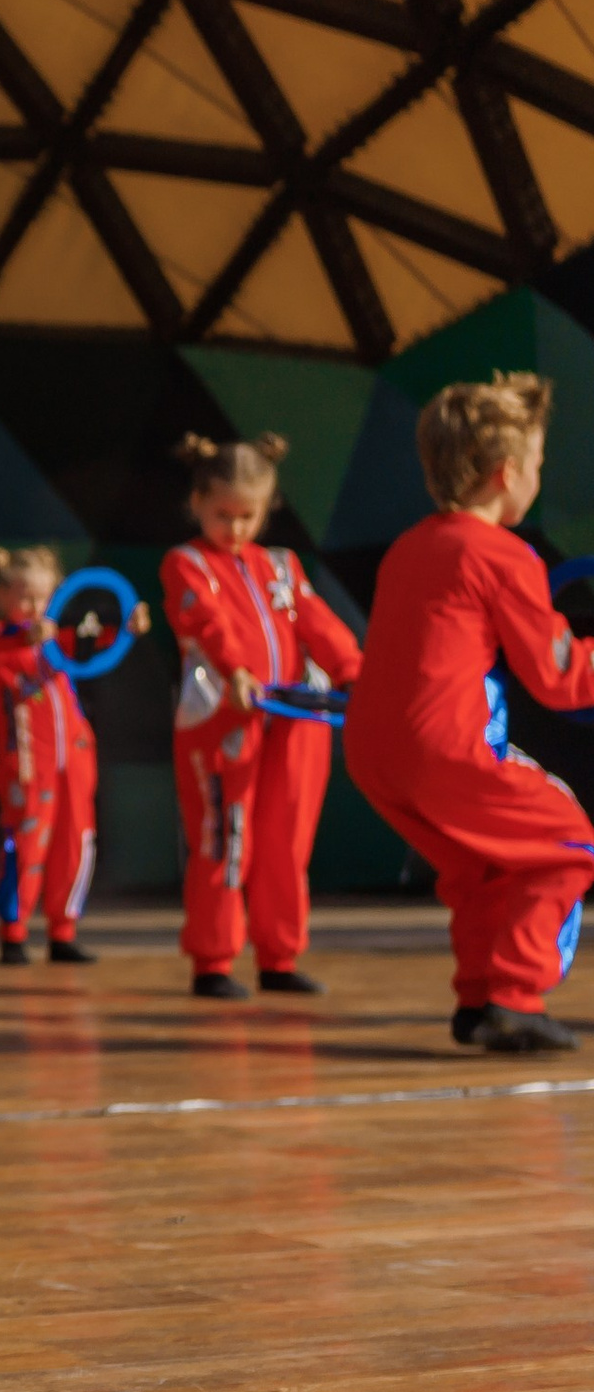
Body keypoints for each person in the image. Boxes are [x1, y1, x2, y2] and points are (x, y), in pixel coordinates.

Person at [346, 373, 594, 1055]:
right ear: (506, 472)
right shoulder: (503, 555)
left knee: (483, 866)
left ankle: (478, 1001)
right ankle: (515, 997)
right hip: (447, 746)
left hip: (376, 754)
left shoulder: (410, 547)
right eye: (537, 463)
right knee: (566, 842)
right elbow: (557, 677)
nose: (537, 476)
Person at [160, 433, 363, 999]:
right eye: (222, 515)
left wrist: (353, 673)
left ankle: (279, 957)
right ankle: (213, 961)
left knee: (286, 839)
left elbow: (316, 622)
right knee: (225, 839)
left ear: (266, 510)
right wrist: (236, 672)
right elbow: (205, 623)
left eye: (248, 516)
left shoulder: (281, 565)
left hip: (292, 719)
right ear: (198, 503)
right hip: (225, 719)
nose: (235, 528)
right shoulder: (187, 564)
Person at [0, 545, 146, 967]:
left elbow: (96, 642)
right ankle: (13, 933)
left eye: (45, 598)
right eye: (26, 598)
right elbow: (5, 648)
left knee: (77, 839)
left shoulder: (59, 640)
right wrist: (29, 636)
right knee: (27, 841)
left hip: (74, 755)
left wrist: (127, 627)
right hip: (28, 761)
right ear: (2, 596)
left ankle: (63, 931)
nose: (37, 608)